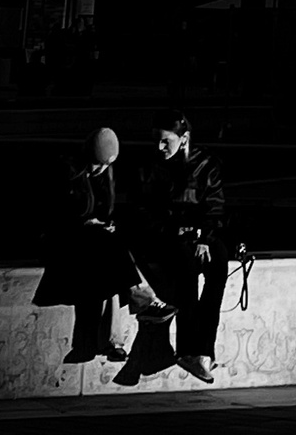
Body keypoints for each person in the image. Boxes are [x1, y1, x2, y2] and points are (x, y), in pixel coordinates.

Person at [32, 127, 171, 361]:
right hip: (63, 240)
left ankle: (95, 343)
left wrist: (104, 224)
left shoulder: (105, 175)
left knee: (107, 267)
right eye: (98, 165)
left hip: (93, 245)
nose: (102, 170)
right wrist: (86, 223)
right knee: (109, 253)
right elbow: (53, 216)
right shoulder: (67, 172)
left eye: (106, 166)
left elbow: (106, 213)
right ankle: (143, 300)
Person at [136, 111, 230, 383]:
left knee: (218, 266)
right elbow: (145, 212)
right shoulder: (151, 167)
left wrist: (203, 236)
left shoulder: (205, 164)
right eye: (157, 141)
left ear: (184, 138)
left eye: (166, 141)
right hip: (167, 236)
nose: (160, 147)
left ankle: (203, 350)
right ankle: (188, 349)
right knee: (185, 272)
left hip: (198, 233)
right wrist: (176, 230)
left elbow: (215, 205)